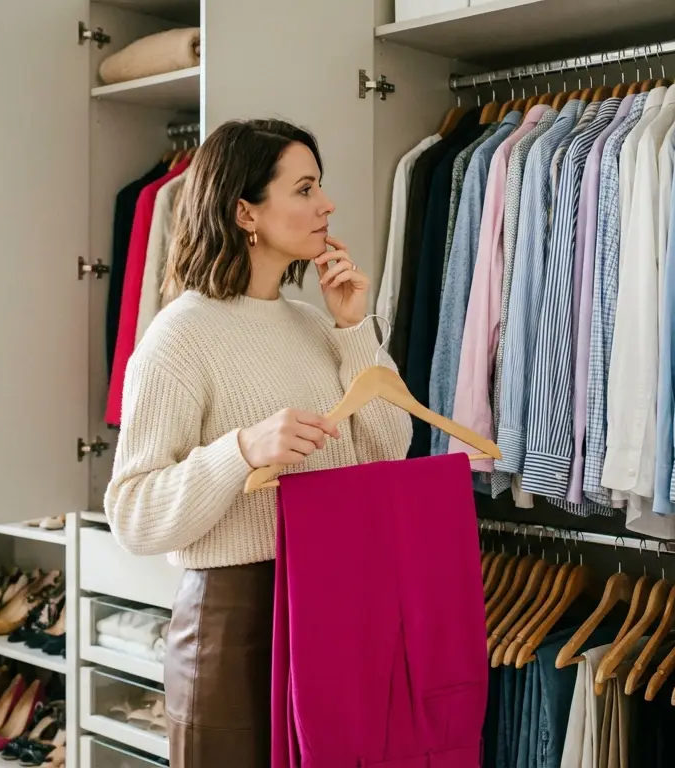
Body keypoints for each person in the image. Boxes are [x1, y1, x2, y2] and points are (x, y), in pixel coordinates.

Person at [104, 119, 412, 766]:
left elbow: (388, 450)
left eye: (320, 187)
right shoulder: (179, 335)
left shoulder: (314, 323)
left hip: (332, 597)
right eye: (304, 188)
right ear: (245, 211)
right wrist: (240, 449)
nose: (326, 205)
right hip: (234, 616)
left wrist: (354, 329)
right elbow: (132, 512)